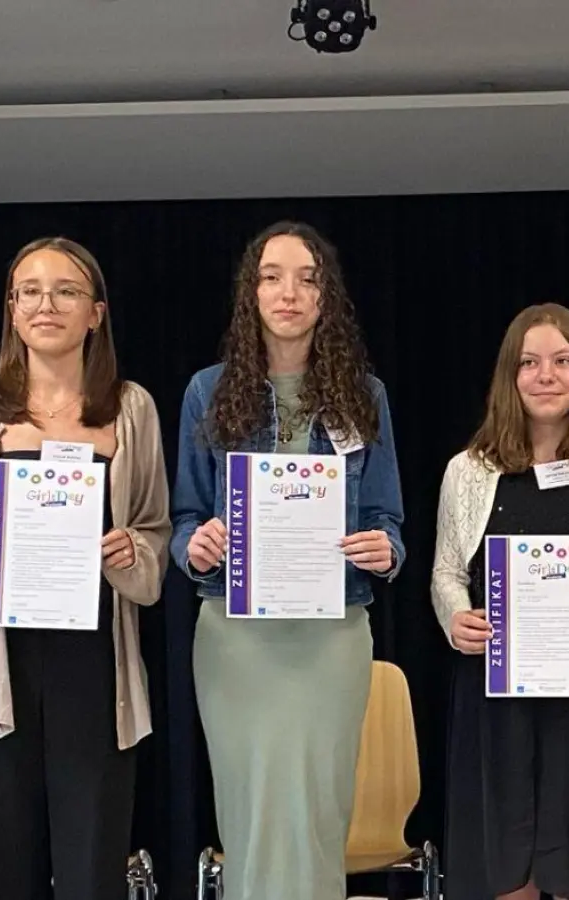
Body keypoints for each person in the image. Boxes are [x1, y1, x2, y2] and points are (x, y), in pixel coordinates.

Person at [169, 221, 406, 900]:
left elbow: (387, 518)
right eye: (272, 277)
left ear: (326, 298)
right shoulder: (207, 391)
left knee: (319, 812)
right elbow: (183, 520)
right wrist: (195, 546)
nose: (289, 293)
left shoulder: (365, 395)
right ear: (251, 293)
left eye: (307, 279)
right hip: (236, 638)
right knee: (248, 812)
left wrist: (384, 549)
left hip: (331, 636)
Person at [0, 237, 171, 900]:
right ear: (12, 311)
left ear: (95, 313)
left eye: (66, 291)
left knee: (92, 871)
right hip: (0, 670)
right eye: (30, 292)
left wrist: (131, 551)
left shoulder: (131, 408)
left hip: (96, 669)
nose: (47, 305)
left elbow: (155, 531)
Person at [432, 303, 569, 900]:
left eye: (562, 361)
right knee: (507, 862)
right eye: (529, 363)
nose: (546, 375)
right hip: (495, 694)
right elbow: (446, 573)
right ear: (510, 376)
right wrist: (456, 618)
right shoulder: (468, 471)